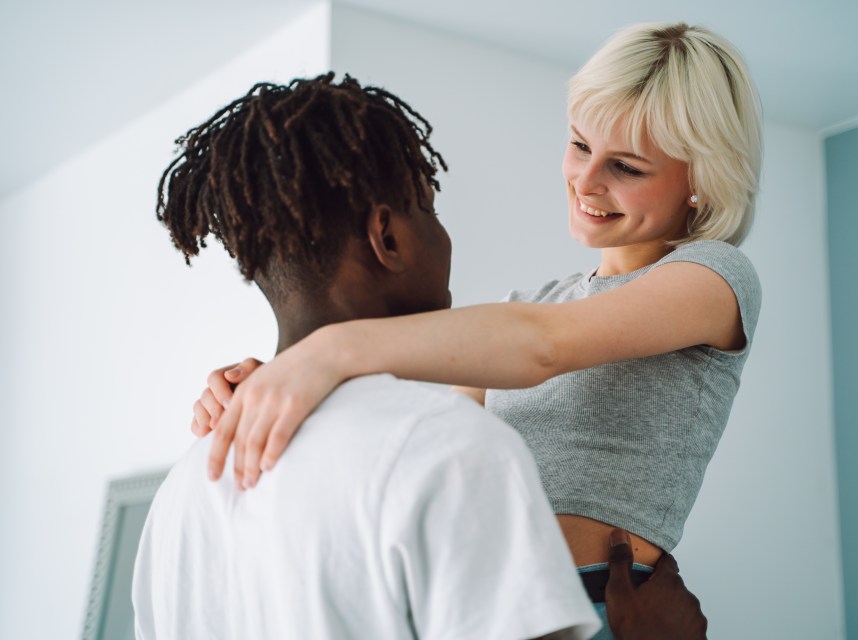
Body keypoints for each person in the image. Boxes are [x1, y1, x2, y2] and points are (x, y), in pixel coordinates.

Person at [203, 22, 755, 638]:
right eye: (578, 145)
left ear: (700, 180)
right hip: (486, 603)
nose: (586, 180)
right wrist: (278, 386)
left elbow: (545, 346)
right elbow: (431, 445)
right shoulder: (527, 304)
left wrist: (326, 351)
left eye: (625, 166)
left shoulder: (714, 276)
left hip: (600, 605)